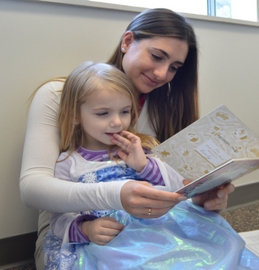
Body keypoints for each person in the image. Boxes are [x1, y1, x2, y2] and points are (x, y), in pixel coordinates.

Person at [20, 8, 235, 270]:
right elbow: (32, 188)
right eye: (157, 56)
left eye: (174, 68)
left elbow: (172, 182)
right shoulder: (60, 95)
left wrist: (200, 197)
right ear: (127, 42)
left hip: (152, 225)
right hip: (81, 225)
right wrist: (116, 195)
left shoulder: (166, 107)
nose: (161, 74)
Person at [44, 61, 189, 268]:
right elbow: (58, 218)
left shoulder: (140, 149)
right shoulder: (68, 163)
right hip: (109, 244)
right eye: (103, 113)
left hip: (156, 234)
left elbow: (177, 187)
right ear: (75, 115)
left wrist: (144, 165)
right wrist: (87, 229)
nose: (117, 123)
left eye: (124, 111)